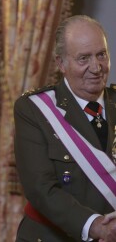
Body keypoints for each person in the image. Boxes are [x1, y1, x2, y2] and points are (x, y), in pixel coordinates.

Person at [14, 15, 116, 241]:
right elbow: (41, 188)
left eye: (102, 54)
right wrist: (95, 226)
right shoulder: (35, 110)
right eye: (83, 58)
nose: (96, 67)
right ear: (61, 63)